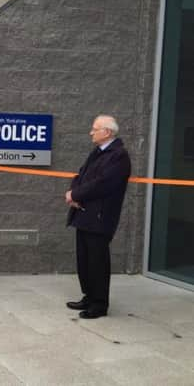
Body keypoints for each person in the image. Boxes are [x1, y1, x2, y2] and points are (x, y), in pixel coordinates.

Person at [65, 115, 131, 319]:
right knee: (84, 260)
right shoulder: (97, 152)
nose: (91, 132)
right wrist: (73, 194)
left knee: (97, 262)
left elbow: (103, 184)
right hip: (84, 214)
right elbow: (81, 175)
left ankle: (99, 304)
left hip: (100, 218)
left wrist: (76, 195)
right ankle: (89, 296)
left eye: (95, 129)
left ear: (108, 132)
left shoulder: (119, 156)